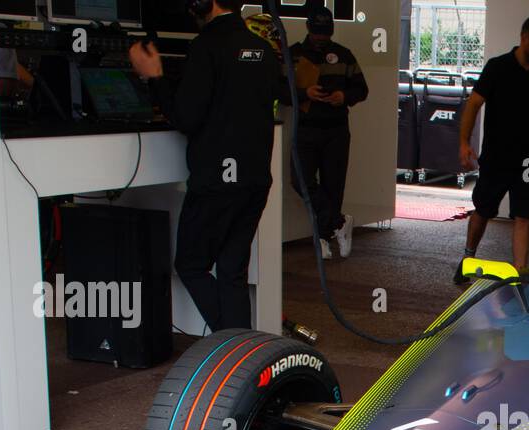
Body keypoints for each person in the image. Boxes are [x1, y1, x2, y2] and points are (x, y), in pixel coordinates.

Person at [128, 0, 284, 332]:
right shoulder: (262, 49)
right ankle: (242, 351)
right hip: (255, 177)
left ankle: (230, 343)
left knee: (191, 264)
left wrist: (155, 77)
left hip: (217, 178)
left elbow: (186, 117)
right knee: (232, 270)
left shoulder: (206, 46)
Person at [454, 13, 529, 284]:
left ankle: (517, 273)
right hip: (496, 156)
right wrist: (464, 143)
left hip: (528, 159)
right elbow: (473, 105)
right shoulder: (497, 67)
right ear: (524, 39)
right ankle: (468, 258)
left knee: (524, 214)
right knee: (483, 210)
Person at [289, 3, 369, 259]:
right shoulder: (294, 55)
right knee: (299, 179)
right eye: (318, 32)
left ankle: (323, 238)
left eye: (327, 32)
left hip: (336, 129)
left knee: (334, 185)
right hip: (306, 128)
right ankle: (338, 222)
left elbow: (362, 89)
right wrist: (305, 94)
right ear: (309, 29)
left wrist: (343, 96)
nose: (322, 38)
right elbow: (277, 90)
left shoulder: (344, 54)